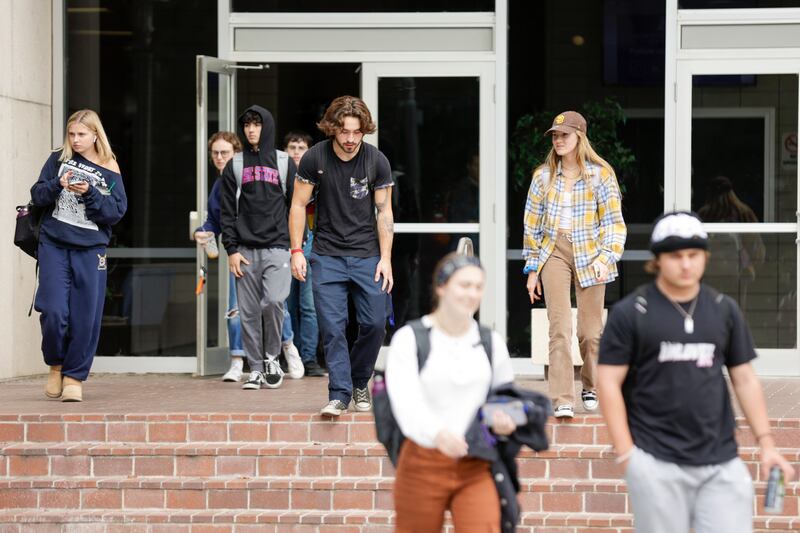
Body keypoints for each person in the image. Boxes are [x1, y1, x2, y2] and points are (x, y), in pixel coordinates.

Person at [597, 211, 796, 533]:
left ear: (704, 256)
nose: (686, 264)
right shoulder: (630, 312)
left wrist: (767, 443)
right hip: (656, 460)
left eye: (694, 255)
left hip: (720, 461)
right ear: (658, 260)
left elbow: (744, 378)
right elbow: (608, 382)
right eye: (676, 256)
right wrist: (627, 457)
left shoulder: (723, 308)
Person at [386, 253, 516, 532]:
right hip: (423, 460)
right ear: (441, 287)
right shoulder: (410, 339)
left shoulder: (490, 342)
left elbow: (503, 397)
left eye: (478, 287)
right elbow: (406, 402)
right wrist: (437, 433)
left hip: (475, 463)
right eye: (464, 285)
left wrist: (504, 420)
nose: (472, 293)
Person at [289, 95, 394, 417]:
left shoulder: (376, 161)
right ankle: (339, 393)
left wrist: (386, 258)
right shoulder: (313, 158)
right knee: (332, 327)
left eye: (357, 132)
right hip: (327, 255)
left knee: (375, 323)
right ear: (333, 128)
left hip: (367, 256)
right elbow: (296, 206)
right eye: (345, 132)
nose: (350, 139)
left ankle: (360, 379)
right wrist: (296, 251)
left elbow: (384, 211)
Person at [522, 110, 626, 419]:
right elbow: (532, 226)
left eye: (564, 135)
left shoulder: (600, 174)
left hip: (591, 253)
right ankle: (562, 398)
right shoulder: (543, 176)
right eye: (555, 135)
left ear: (579, 136)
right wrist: (532, 270)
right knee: (559, 328)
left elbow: (614, 224)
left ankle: (590, 385)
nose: (558, 140)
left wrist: (606, 258)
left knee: (590, 333)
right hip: (554, 250)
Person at [30, 109, 127, 402]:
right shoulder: (58, 158)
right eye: (72, 134)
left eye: (82, 135)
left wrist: (90, 193)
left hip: (91, 248)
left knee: (86, 317)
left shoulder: (110, 167)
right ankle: (56, 365)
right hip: (54, 243)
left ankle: (74, 376)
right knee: (54, 310)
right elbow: (37, 194)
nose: (76, 140)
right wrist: (57, 184)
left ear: (95, 135)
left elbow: (116, 212)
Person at [194, 131, 303, 382]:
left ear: (237, 155)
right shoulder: (219, 185)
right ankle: (237, 360)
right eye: (215, 153)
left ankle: (287, 347)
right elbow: (215, 218)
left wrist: (292, 244)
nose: (220, 158)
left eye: (225, 153)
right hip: (239, 251)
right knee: (237, 308)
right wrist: (203, 231)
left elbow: (285, 207)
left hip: (270, 246)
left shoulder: (254, 175)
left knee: (275, 302)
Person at [220, 105, 298, 390]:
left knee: (274, 301)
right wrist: (231, 249)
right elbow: (226, 212)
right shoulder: (236, 164)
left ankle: (271, 357)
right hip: (244, 249)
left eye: (257, 124)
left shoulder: (284, 162)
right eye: (247, 125)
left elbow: (296, 207)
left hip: (277, 246)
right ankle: (255, 368)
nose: (251, 129)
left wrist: (296, 246)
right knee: (249, 311)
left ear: (267, 126)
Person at [283, 130, 325, 377]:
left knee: (309, 305)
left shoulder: (318, 176)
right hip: (285, 244)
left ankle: (308, 358)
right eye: (292, 147)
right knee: (287, 305)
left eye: (302, 147)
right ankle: (291, 354)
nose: (297, 152)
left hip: (312, 242)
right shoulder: (279, 174)